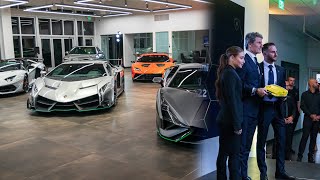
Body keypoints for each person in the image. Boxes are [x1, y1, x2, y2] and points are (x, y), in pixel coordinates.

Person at [257, 42, 295, 180]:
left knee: (281, 140)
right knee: (261, 142)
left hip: (278, 110)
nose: (276, 54)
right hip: (264, 109)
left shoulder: (280, 70)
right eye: (273, 52)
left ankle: (280, 172)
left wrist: (284, 96)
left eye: (276, 52)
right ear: (265, 53)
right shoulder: (258, 68)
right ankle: (263, 174)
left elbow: (281, 89)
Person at [236, 32, 266, 180]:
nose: (261, 45)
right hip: (246, 110)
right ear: (250, 44)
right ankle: (242, 176)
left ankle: (243, 175)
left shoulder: (256, 61)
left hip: (255, 110)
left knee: (247, 145)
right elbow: (240, 84)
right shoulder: (244, 60)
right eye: (259, 42)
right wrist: (255, 90)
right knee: (242, 146)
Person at [215, 46, 245, 180]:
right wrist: (237, 125)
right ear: (232, 58)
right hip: (230, 122)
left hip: (226, 120)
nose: (243, 61)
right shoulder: (230, 74)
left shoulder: (228, 73)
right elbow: (233, 101)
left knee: (225, 154)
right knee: (231, 156)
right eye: (241, 58)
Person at [272, 80, 297, 160]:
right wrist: (282, 119)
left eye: (288, 86)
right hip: (279, 121)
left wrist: (292, 117)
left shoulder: (291, 96)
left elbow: (294, 108)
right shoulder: (276, 97)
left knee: (288, 139)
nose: (287, 88)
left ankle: (287, 157)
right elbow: (274, 110)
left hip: (289, 120)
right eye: (285, 86)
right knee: (278, 139)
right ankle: (275, 157)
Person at [297, 78, 320, 163]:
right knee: (304, 137)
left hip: (317, 120)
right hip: (308, 119)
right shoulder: (304, 94)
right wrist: (311, 115)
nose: (317, 83)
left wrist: (318, 117)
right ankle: (300, 156)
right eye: (316, 82)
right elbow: (303, 106)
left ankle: (310, 156)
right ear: (310, 84)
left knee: (313, 138)